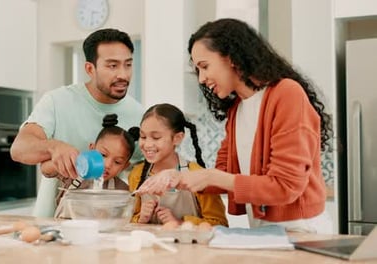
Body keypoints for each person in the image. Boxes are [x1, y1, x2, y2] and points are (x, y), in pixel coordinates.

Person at [137, 19, 333, 233]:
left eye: (204, 66)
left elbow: (285, 186)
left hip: (302, 230)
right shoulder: (237, 108)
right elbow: (225, 174)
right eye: (197, 70)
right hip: (265, 229)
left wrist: (208, 176)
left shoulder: (286, 94)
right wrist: (177, 177)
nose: (201, 79)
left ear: (231, 58)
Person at [10, 28, 144, 217]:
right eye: (112, 66)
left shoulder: (139, 114)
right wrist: (54, 147)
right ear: (90, 68)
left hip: (110, 224)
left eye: (128, 65)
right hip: (52, 222)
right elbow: (19, 149)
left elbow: (148, 170)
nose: (123, 74)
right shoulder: (57, 101)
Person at [129, 103, 228, 226]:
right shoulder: (137, 175)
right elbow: (128, 220)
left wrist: (180, 222)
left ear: (177, 138)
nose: (147, 144)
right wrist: (141, 218)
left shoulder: (197, 175)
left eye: (156, 137)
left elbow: (220, 224)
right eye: (143, 137)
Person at [47, 114, 139, 218]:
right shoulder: (74, 173)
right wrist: (77, 163)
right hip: (66, 231)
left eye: (117, 162)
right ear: (92, 149)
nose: (107, 164)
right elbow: (46, 170)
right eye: (103, 155)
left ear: (125, 166)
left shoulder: (122, 189)